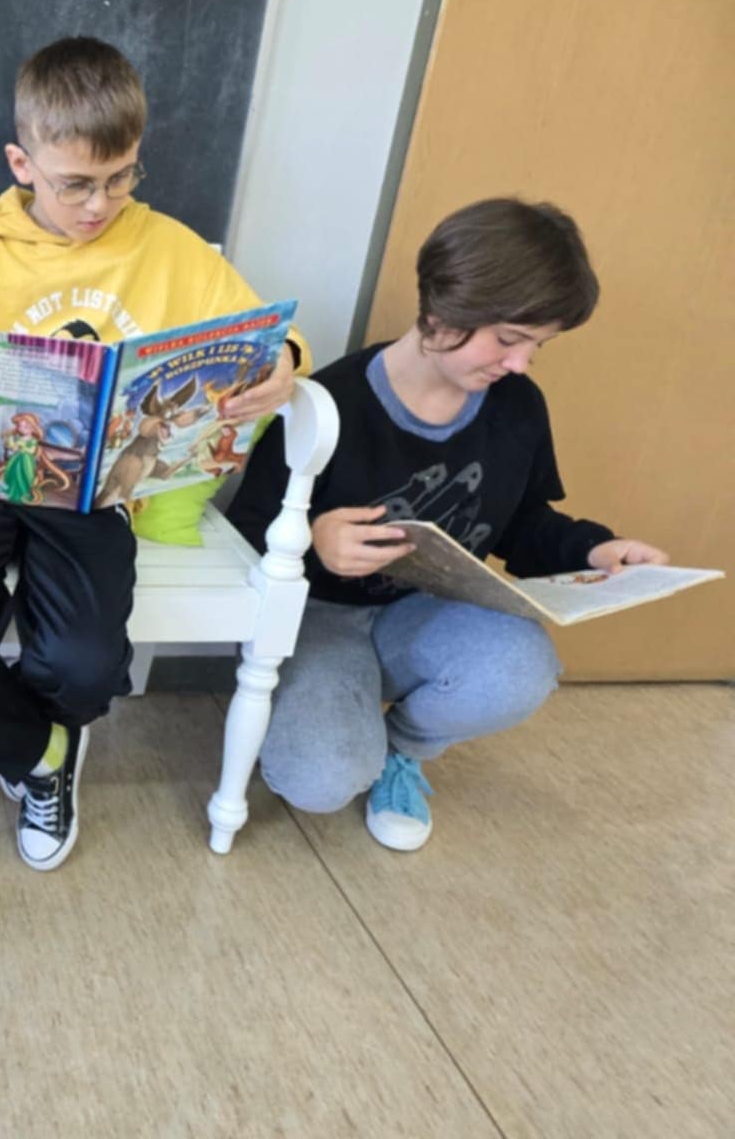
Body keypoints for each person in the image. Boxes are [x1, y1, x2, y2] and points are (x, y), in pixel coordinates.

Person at [0, 36, 305, 871]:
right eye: (75, 184)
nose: (99, 204)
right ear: (22, 164)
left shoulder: (170, 248)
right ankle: (37, 751)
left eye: (121, 178)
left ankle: (49, 737)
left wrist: (285, 364)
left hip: (98, 493)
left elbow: (270, 336)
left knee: (83, 665)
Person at [226, 197, 668, 851]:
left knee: (520, 667)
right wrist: (315, 540)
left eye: (537, 347)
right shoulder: (331, 403)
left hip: (428, 616)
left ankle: (404, 750)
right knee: (318, 782)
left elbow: (522, 523)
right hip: (318, 619)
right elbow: (245, 531)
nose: (519, 364)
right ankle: (341, 721)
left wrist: (597, 550)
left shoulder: (517, 407)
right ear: (442, 310)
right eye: (509, 340)